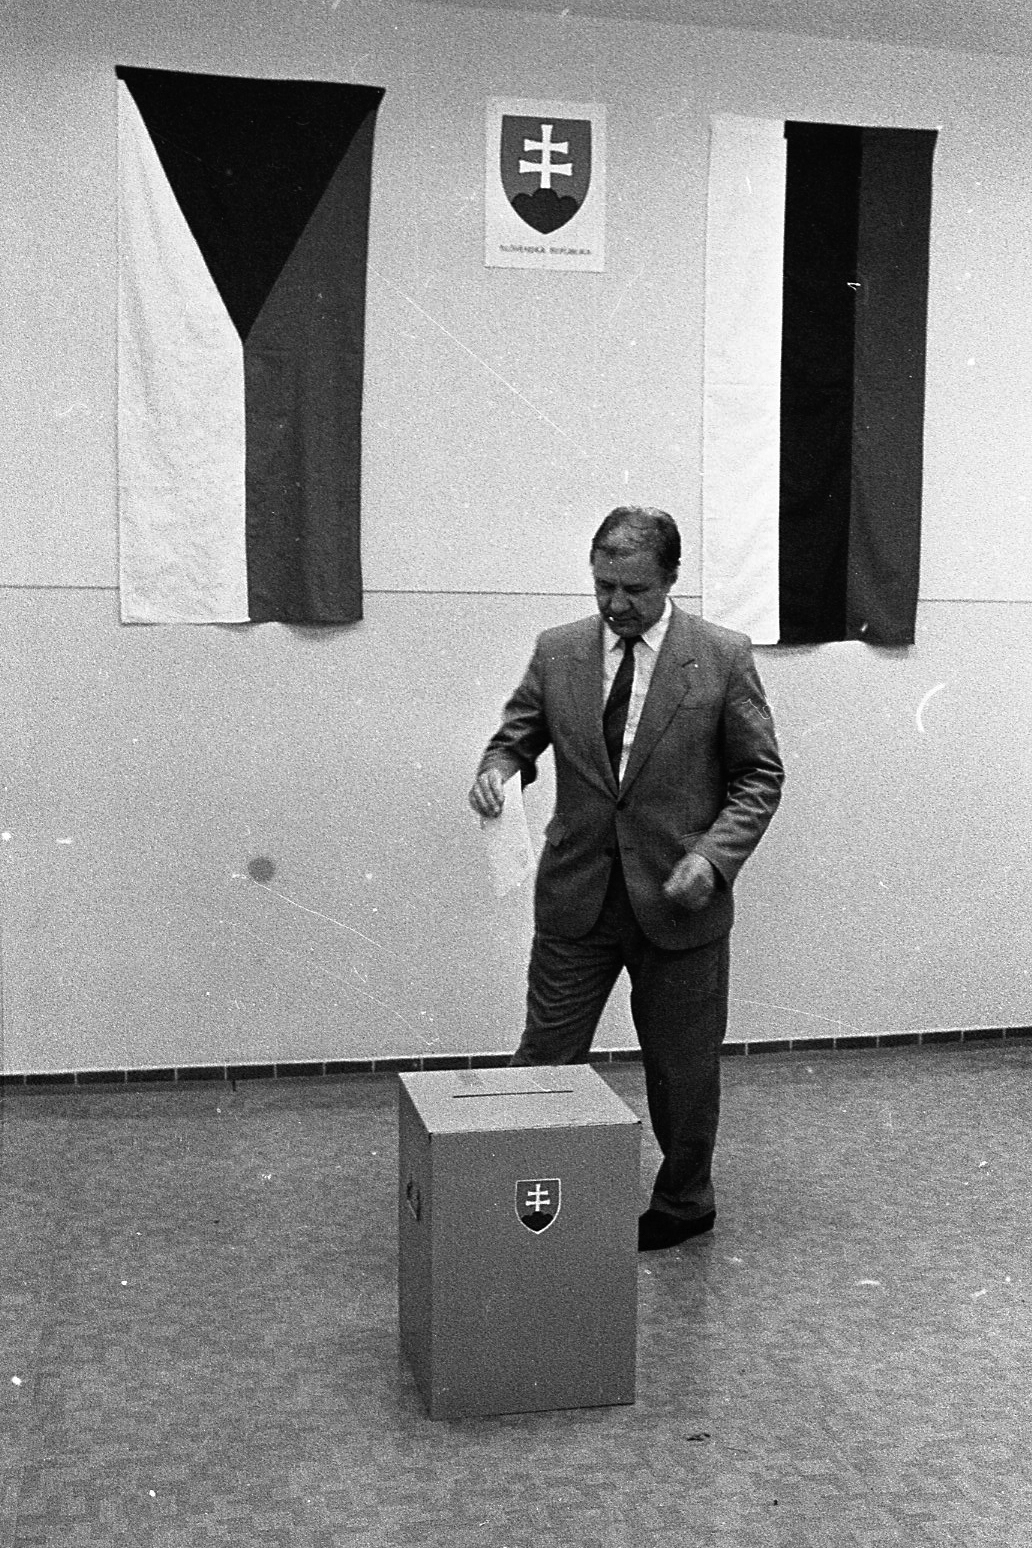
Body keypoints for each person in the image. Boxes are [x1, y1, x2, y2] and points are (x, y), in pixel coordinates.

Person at [468, 506, 784, 1250]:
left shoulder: (722, 655)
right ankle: (525, 1198)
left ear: (671, 579)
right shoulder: (558, 651)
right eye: (603, 586)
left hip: (680, 901)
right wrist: (497, 770)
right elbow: (516, 737)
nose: (616, 604)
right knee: (544, 1058)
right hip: (577, 897)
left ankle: (685, 1201)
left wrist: (714, 857)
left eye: (634, 590)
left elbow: (759, 777)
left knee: (682, 1072)